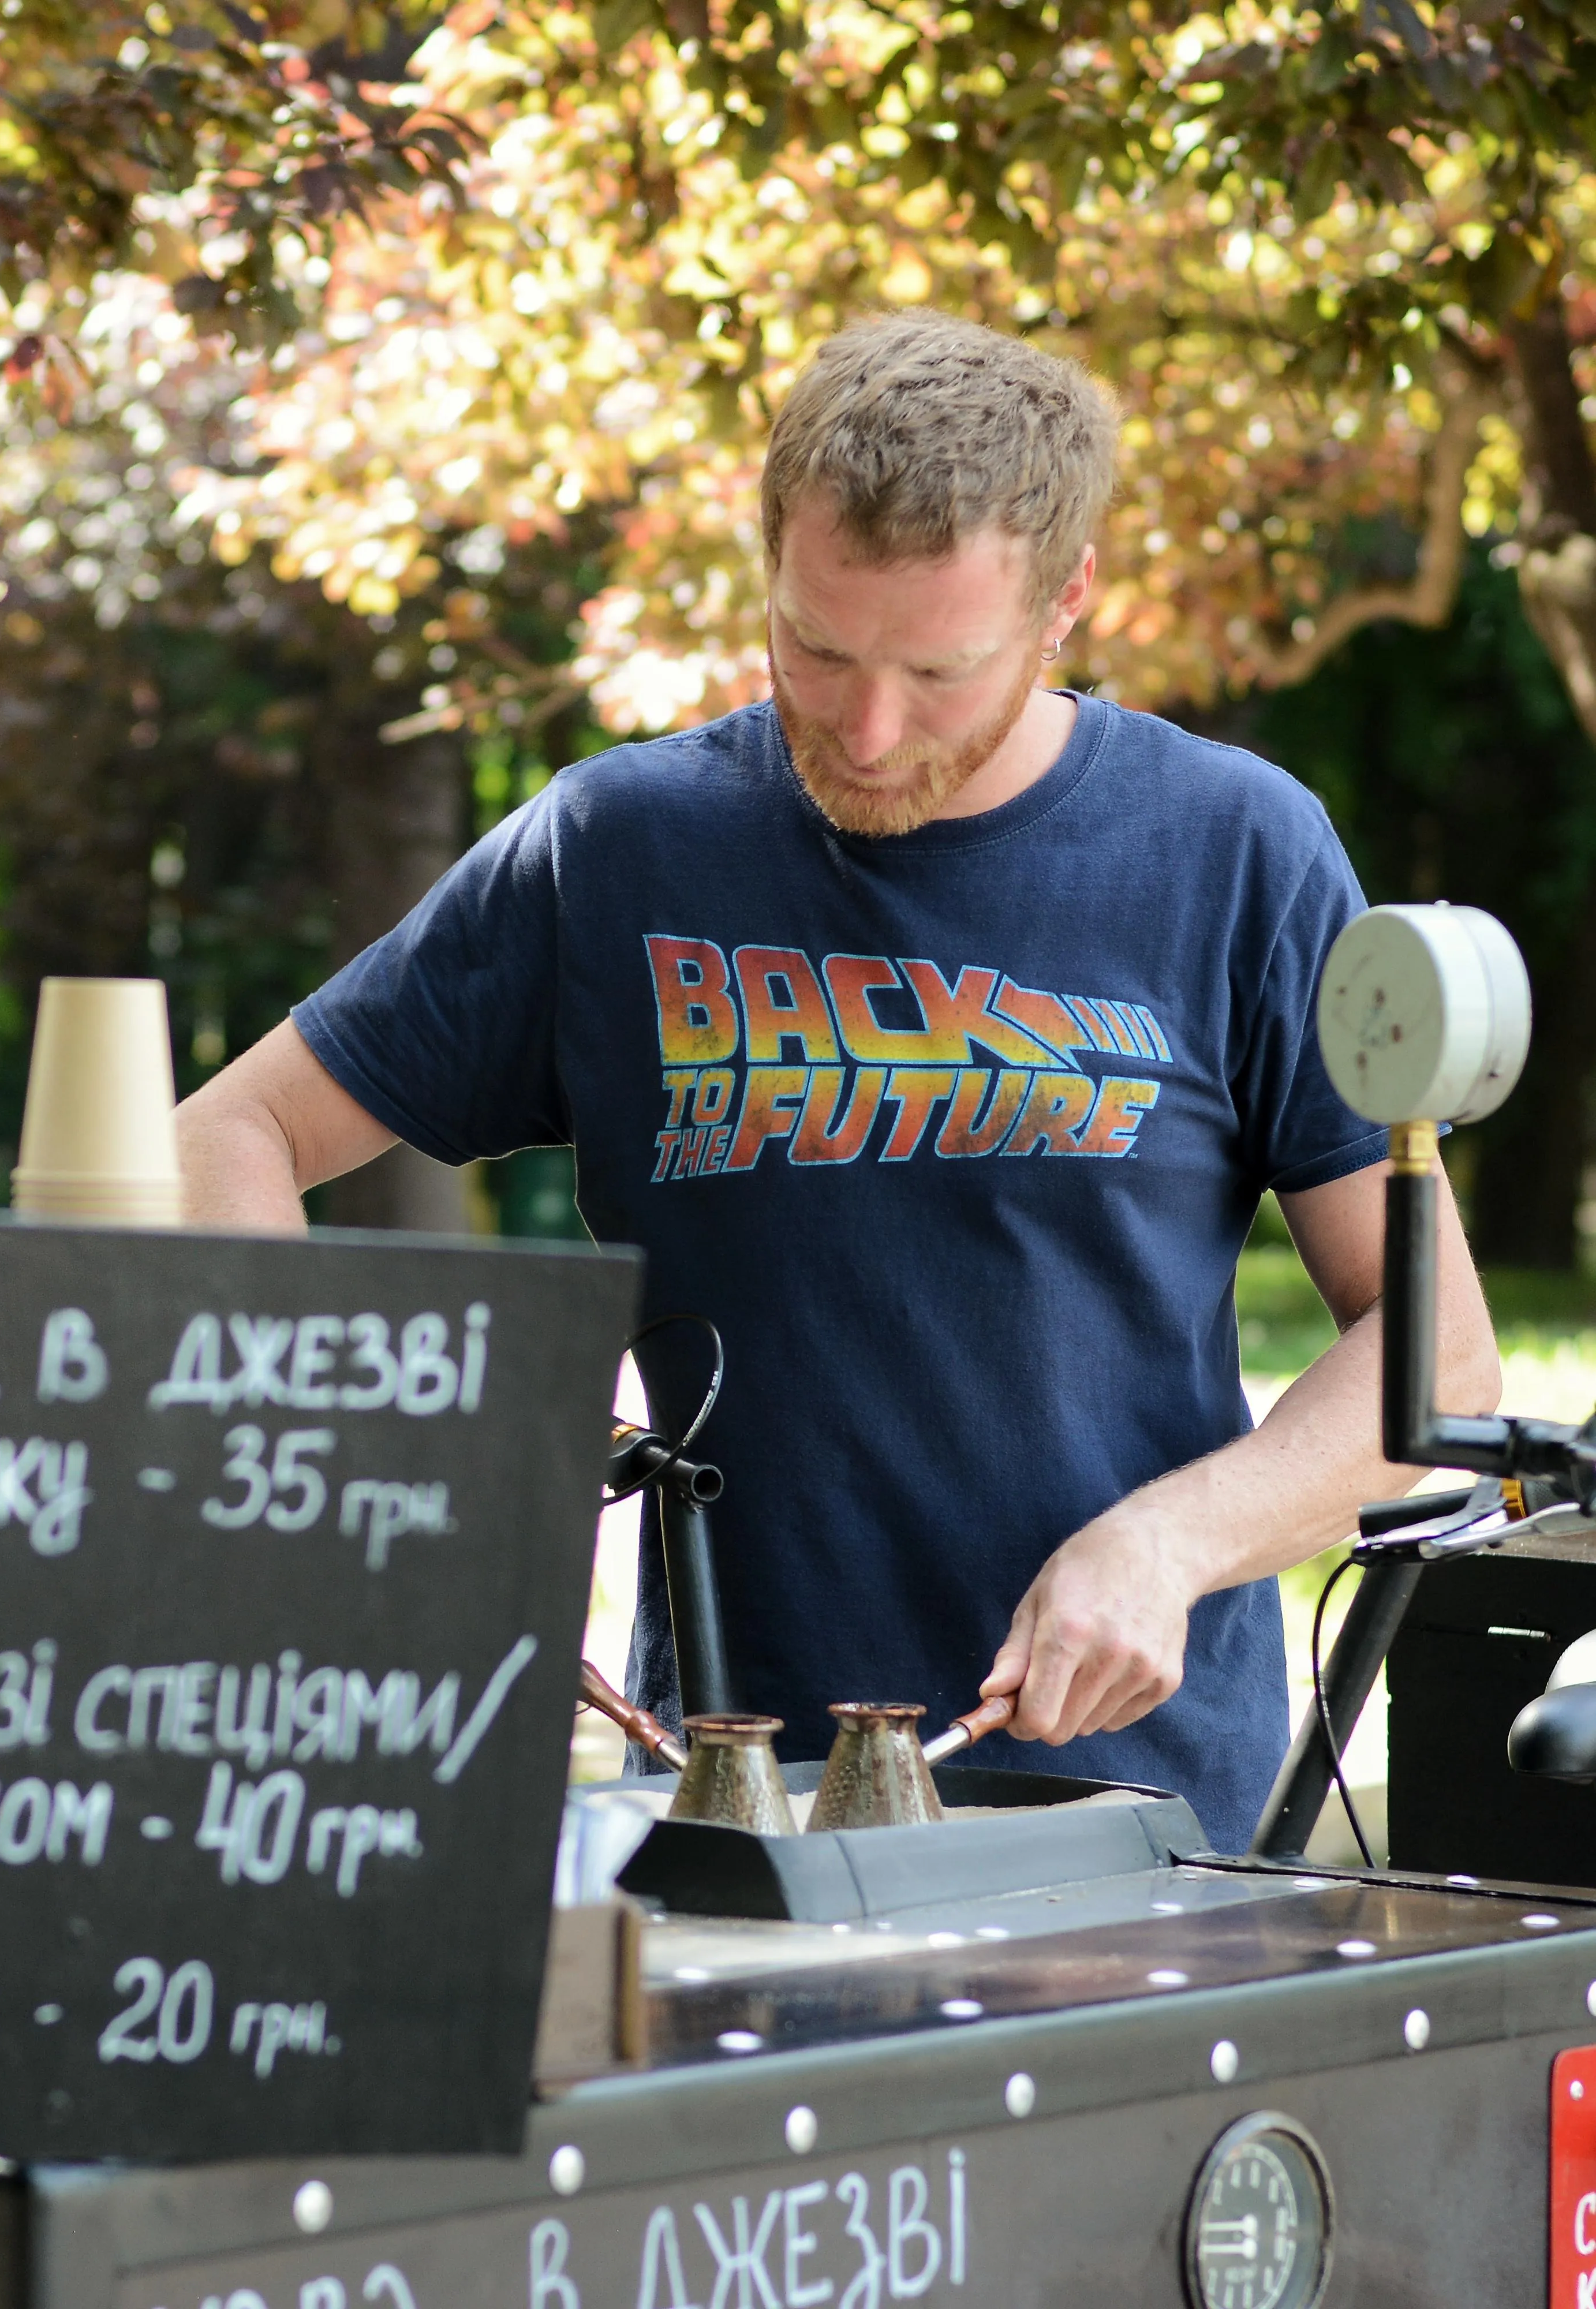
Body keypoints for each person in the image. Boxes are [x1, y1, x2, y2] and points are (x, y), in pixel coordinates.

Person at [174, 310, 1501, 1850]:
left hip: (1136, 1811)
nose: (866, 732)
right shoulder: (619, 849)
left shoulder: (1238, 853)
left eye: (938, 669)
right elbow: (234, 1130)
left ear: (1064, 600)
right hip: (741, 1808)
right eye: (815, 649)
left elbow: (1439, 1359)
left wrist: (1176, 1542)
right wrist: (347, 1511)